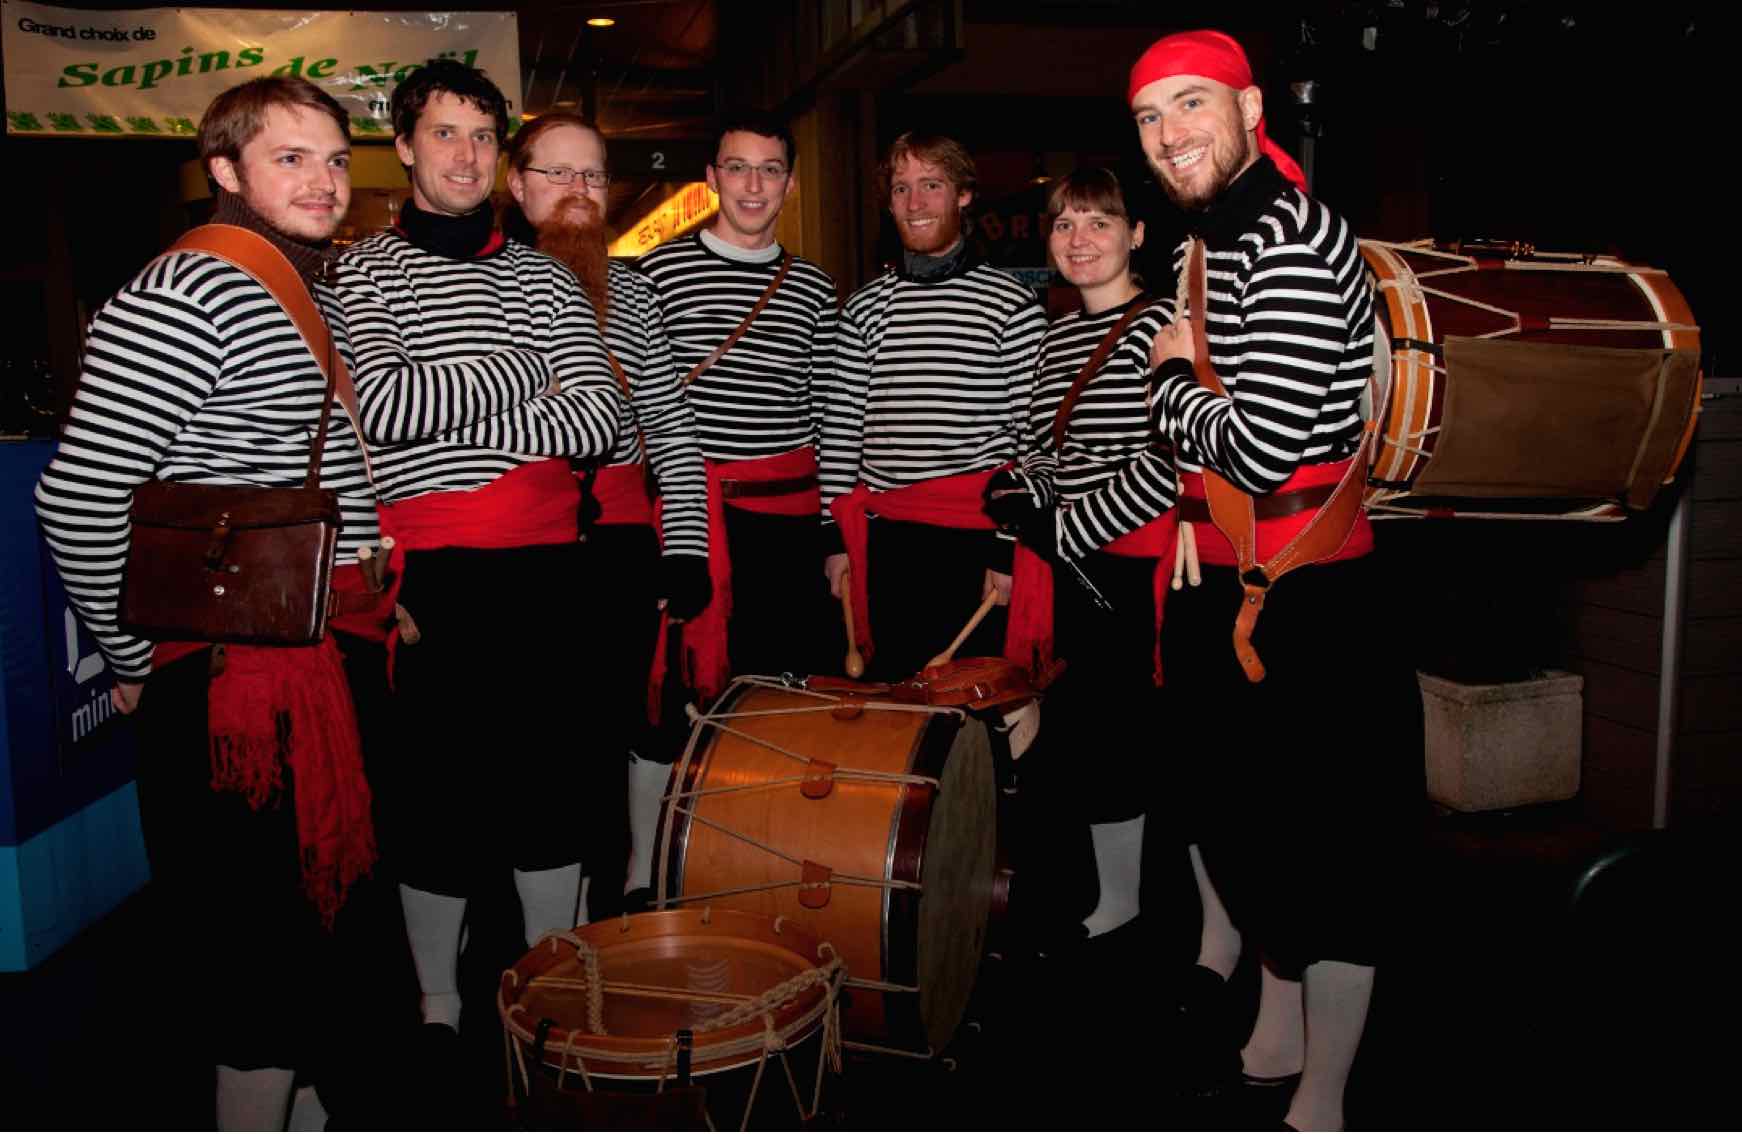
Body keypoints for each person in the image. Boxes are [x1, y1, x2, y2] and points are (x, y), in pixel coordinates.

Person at [34, 76, 388, 1130]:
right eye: (291, 159)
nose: (324, 182)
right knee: (257, 964)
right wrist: (134, 660)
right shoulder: (191, 288)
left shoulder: (304, 282)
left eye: (335, 160)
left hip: (318, 656)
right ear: (225, 170)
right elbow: (79, 498)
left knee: (313, 948)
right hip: (238, 685)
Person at [1132, 29, 1420, 1131]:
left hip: (1315, 602)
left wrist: (1168, 383)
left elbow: (1256, 447)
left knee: (1336, 856)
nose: (1169, 134)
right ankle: (1279, 1029)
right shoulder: (1208, 237)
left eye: (1190, 104)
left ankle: (1325, 1095)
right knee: (1250, 830)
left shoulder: (1291, 237)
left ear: (1249, 108)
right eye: (1149, 116)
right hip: (1237, 588)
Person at [330, 61, 623, 1039]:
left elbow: (600, 420)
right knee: (435, 801)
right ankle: (438, 1004)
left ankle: (549, 983)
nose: (465, 154)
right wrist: (524, 374)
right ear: (404, 146)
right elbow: (383, 406)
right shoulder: (361, 271)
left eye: (483, 137)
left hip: (550, 571)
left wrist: (457, 410)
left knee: (554, 791)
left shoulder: (543, 273)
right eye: (444, 133)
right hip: (432, 579)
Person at [503, 113, 710, 912]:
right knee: (538, 741)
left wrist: (685, 550)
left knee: (626, 722)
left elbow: (672, 431)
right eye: (557, 173)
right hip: (515, 546)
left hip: (619, 541)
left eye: (591, 174)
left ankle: (623, 890)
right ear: (517, 186)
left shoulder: (634, 295)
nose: (578, 190)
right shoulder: (485, 282)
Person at [633, 111, 842, 893]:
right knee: (667, 701)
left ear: (789, 183)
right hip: (690, 519)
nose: (753, 184)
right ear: (711, 178)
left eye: (770, 169)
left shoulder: (814, 286)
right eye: (738, 167)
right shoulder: (655, 275)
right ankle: (650, 868)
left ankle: (756, 859)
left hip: (786, 526)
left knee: (776, 698)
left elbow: (826, 414)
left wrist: (831, 534)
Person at [989, 168, 1180, 948]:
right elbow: (1045, 446)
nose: (1079, 239)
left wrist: (1067, 528)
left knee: (1130, 739)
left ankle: (1151, 907)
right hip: (1071, 560)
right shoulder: (1058, 331)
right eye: (1065, 224)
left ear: (1137, 235)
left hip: (1136, 566)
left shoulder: (1164, 322)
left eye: (1099, 222)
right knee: (1087, 737)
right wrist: (1020, 488)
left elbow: (1169, 463)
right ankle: (1111, 893)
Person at [824, 133, 1047, 680]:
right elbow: (840, 431)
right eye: (901, 188)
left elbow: (1035, 440)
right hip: (887, 540)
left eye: (932, 185)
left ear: (963, 195)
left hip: (977, 537)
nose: (915, 202)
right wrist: (835, 539)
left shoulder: (1012, 304)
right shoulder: (863, 308)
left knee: (975, 703)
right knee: (892, 700)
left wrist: (1007, 546)